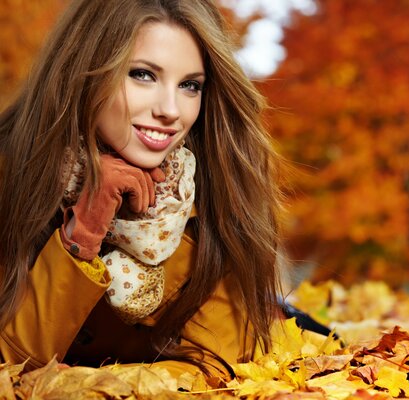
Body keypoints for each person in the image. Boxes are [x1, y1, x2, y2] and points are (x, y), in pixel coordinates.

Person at [0, 0, 285, 383]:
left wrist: (75, 385)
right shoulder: (10, 173)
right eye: (142, 75)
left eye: (189, 85)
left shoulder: (220, 190)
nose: (170, 110)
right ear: (83, 73)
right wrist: (81, 233)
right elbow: (7, 363)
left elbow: (212, 369)